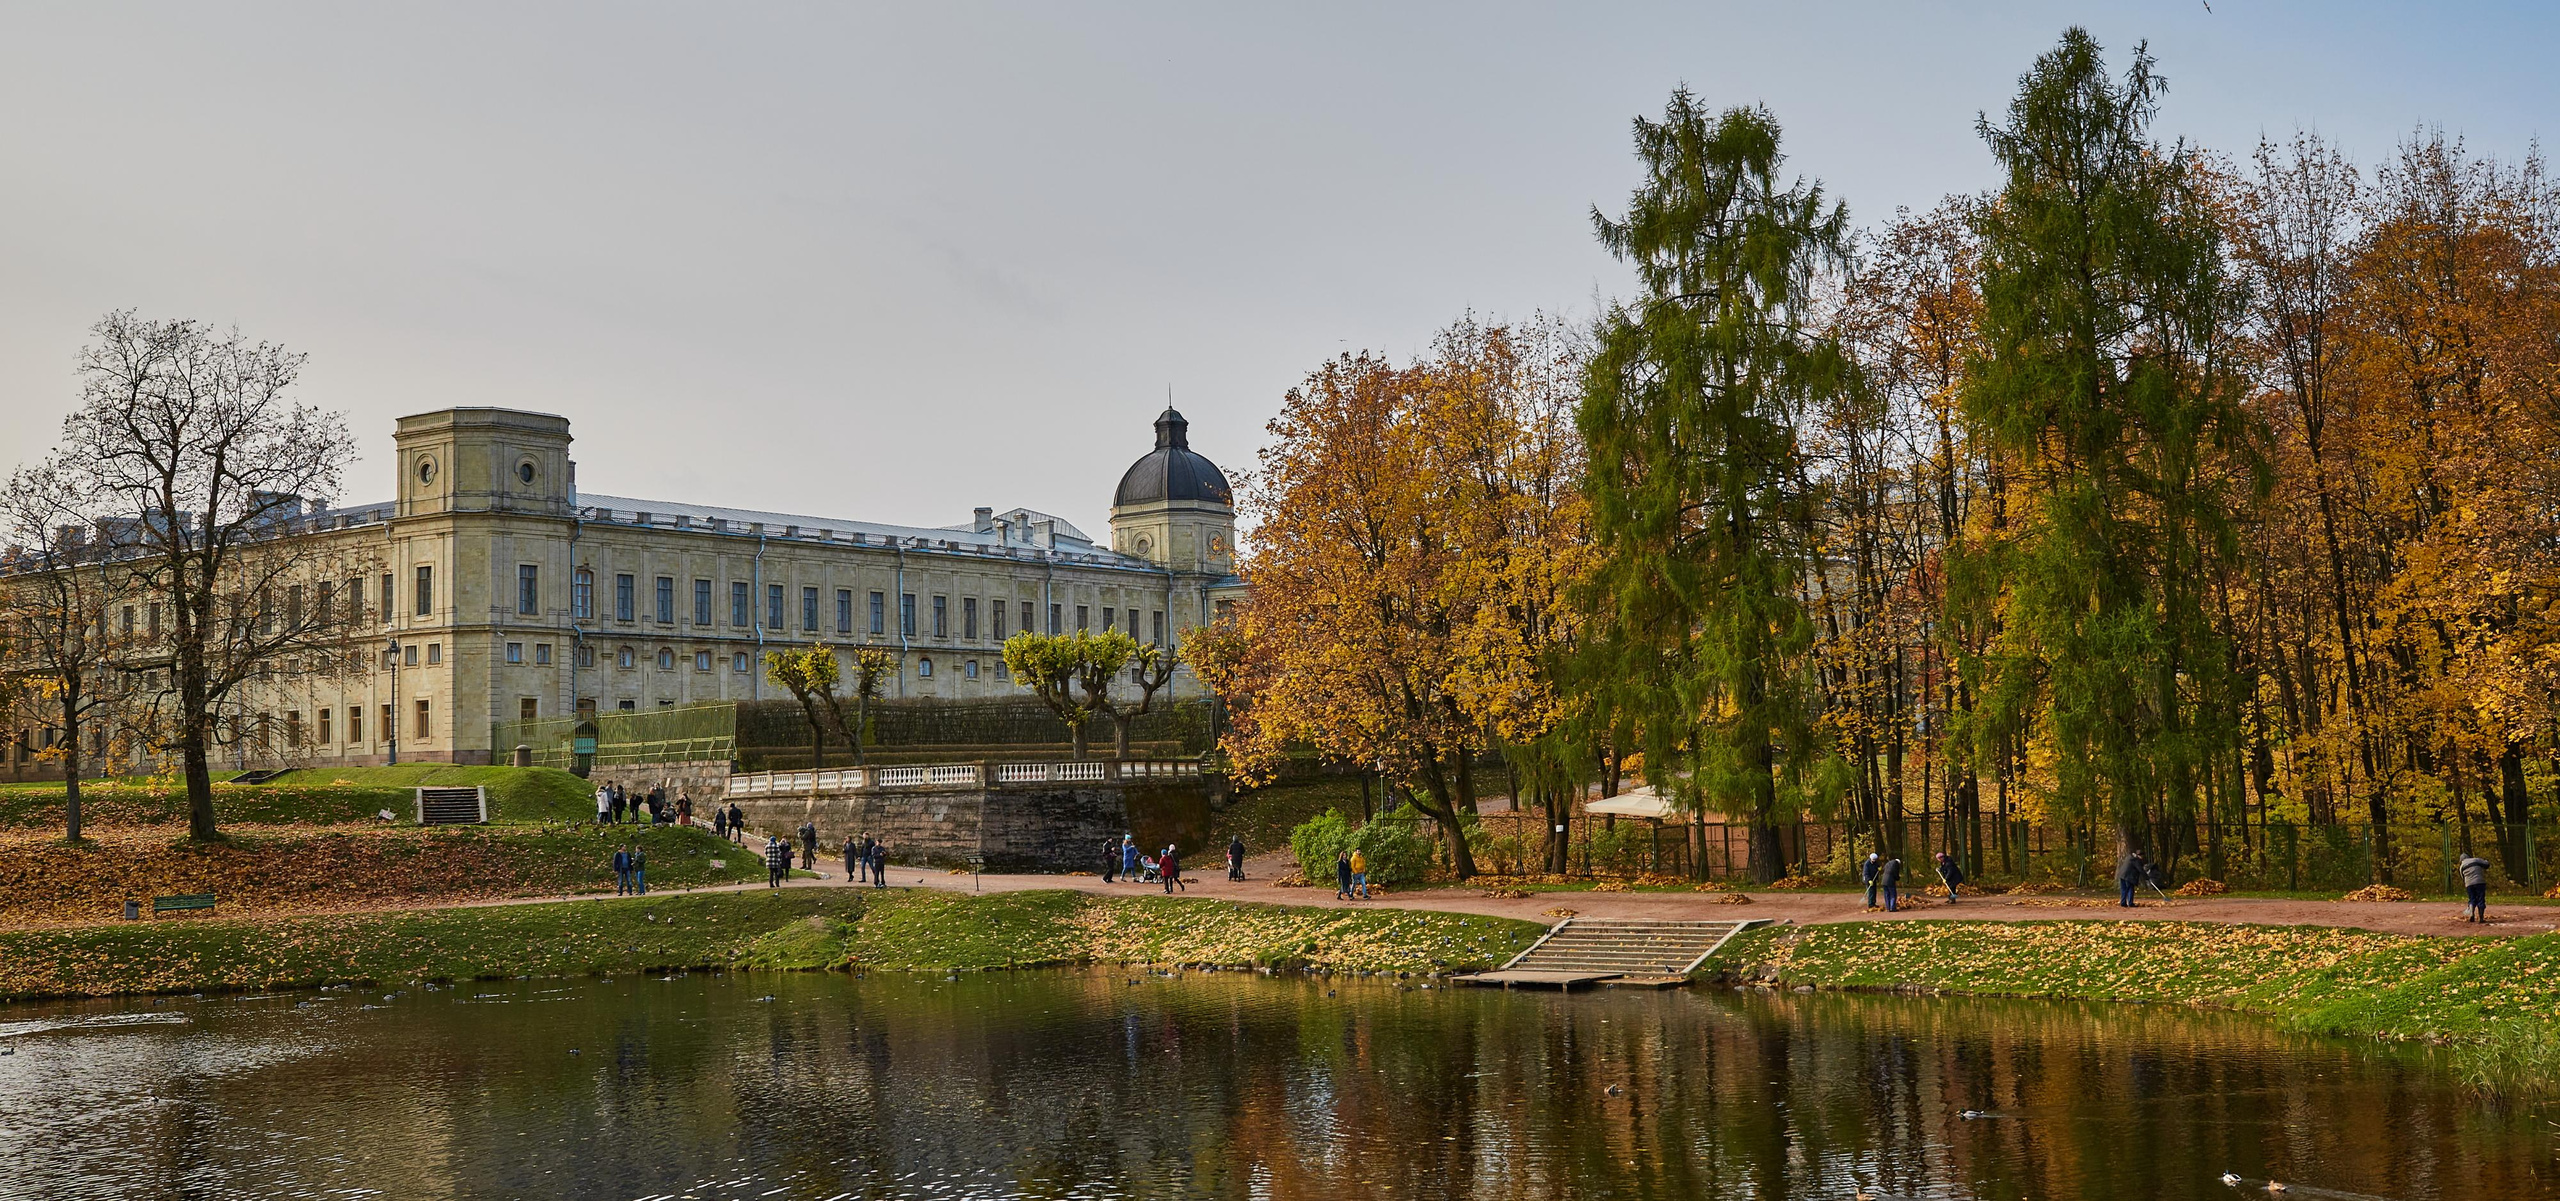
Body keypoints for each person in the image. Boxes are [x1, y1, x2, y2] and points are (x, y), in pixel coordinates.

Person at [2459, 853, 2492, 923]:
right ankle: (2481, 918)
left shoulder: (2461, 866)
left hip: (2469, 884)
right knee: (2481, 898)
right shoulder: (2476, 860)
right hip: (2479, 882)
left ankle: (2471, 914)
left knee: (2472, 898)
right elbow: (2487, 864)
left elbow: (2463, 877)